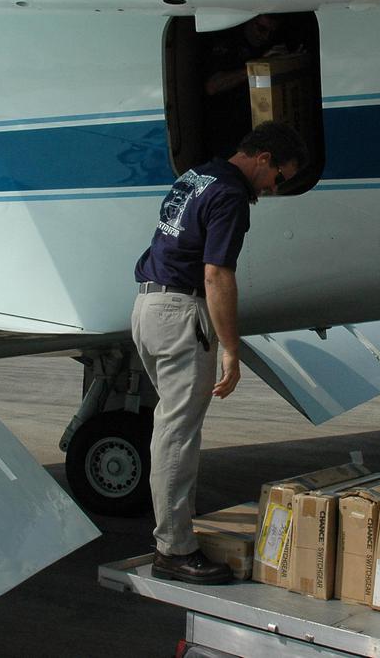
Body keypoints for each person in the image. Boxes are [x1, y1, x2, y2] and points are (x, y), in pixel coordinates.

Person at [132, 121, 308, 585]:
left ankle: (178, 536)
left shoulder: (197, 176)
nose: (274, 189)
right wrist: (231, 349)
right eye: (279, 177)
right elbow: (216, 276)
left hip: (148, 308)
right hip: (180, 313)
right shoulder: (230, 194)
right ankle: (172, 550)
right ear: (264, 158)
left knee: (172, 428)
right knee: (177, 435)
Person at [202, 14, 288, 159]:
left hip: (254, 124)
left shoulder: (269, 45)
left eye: (271, 33)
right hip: (225, 126)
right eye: (261, 29)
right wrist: (258, 66)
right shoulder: (227, 43)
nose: (265, 37)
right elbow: (212, 86)